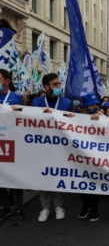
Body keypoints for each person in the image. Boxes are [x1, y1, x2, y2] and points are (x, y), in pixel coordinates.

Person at [31, 73, 72, 222]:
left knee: (57, 175)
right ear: (46, 86)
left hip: (60, 145)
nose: (58, 87)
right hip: (41, 145)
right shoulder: (36, 102)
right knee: (43, 176)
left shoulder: (67, 102)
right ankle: (45, 208)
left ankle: (59, 206)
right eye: (54, 84)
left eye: (59, 84)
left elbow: (74, 122)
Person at [0, 69, 25, 226]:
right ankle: (4, 205)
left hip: (12, 143)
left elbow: (26, 121)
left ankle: (17, 209)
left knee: (14, 177)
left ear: (6, 81)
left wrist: (19, 112)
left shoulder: (17, 98)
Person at [78, 93, 102, 221]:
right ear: (85, 107)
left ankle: (94, 208)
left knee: (94, 182)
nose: (94, 107)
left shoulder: (103, 117)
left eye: (95, 105)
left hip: (97, 156)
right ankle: (85, 204)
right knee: (81, 181)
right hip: (81, 155)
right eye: (91, 105)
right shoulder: (78, 117)